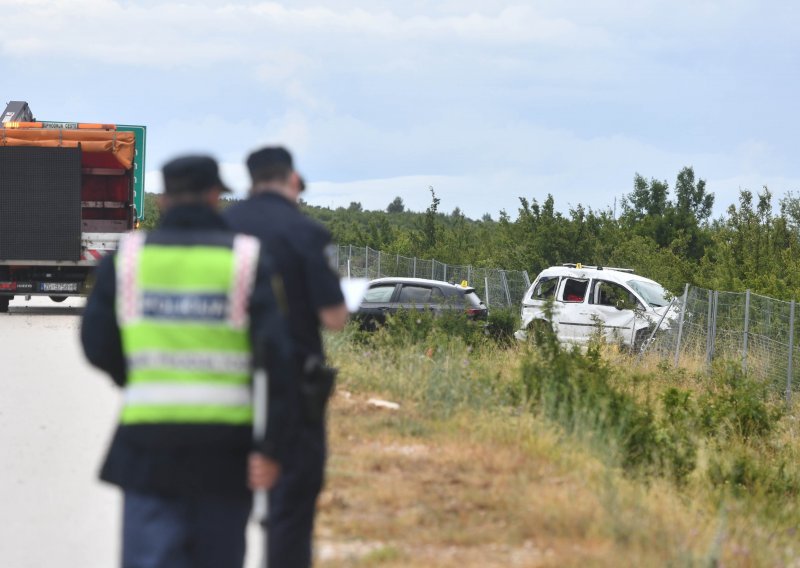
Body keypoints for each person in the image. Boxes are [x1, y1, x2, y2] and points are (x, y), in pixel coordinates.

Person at [81, 155, 294, 568]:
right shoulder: (247, 261)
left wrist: (136, 375)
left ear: (163, 200)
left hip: (147, 452)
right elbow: (279, 361)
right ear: (216, 196)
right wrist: (271, 449)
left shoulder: (127, 261)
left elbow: (96, 343)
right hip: (226, 454)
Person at [224, 146, 347, 567]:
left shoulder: (224, 226)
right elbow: (334, 317)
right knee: (291, 507)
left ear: (251, 181)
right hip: (293, 387)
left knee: (223, 503)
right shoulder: (304, 231)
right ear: (293, 180)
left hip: (227, 382)